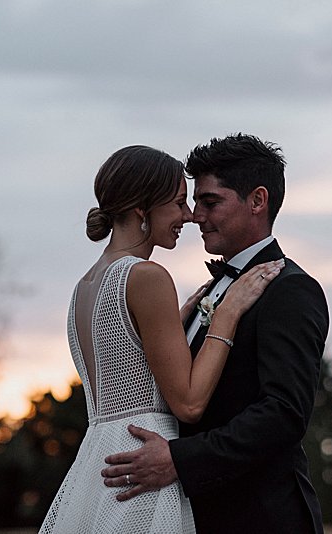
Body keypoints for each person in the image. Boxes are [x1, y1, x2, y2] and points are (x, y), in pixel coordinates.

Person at [39, 145, 284, 533]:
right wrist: (227, 312)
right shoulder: (147, 276)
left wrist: (177, 321)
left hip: (99, 464)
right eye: (177, 203)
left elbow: (128, 364)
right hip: (144, 464)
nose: (188, 216)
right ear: (141, 208)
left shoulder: (84, 287)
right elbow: (188, 403)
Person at [101, 134, 329, 533]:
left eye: (210, 202)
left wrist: (180, 460)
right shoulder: (208, 292)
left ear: (257, 201)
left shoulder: (290, 289)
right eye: (193, 203)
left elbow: (283, 414)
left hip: (262, 517)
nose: (195, 216)